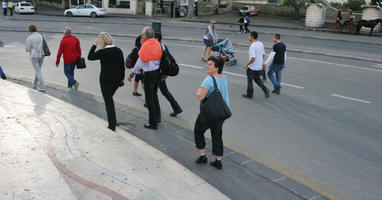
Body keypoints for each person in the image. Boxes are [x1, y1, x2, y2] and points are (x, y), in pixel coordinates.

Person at [194, 56, 229, 170]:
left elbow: (201, 96)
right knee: (217, 134)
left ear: (217, 68)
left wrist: (198, 91)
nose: (207, 66)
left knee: (198, 130)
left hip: (210, 113)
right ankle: (218, 161)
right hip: (222, 111)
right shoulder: (224, 78)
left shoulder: (208, 79)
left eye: (210, 64)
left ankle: (203, 156)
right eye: (207, 63)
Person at [88, 32, 125, 131]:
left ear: (101, 42)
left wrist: (94, 45)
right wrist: (121, 79)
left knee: (108, 101)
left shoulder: (102, 52)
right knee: (109, 99)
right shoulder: (118, 50)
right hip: (116, 80)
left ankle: (112, 125)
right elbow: (122, 67)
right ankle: (113, 121)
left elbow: (90, 57)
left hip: (105, 81)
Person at [128, 27, 162, 130]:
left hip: (149, 74)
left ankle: (152, 123)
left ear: (145, 35)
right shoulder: (156, 43)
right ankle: (157, 117)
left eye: (142, 34)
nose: (141, 35)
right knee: (154, 95)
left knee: (149, 99)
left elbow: (139, 63)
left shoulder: (146, 45)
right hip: (157, 73)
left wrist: (133, 73)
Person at [154, 32, 183, 117]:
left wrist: (163, 74)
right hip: (163, 72)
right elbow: (167, 61)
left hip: (160, 72)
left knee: (161, 91)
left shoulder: (157, 47)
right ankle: (176, 108)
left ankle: (176, 108)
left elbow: (162, 62)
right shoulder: (164, 46)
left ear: (156, 39)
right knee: (159, 90)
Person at [242, 31, 270, 99]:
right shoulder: (260, 43)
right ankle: (265, 90)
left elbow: (253, 58)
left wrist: (247, 65)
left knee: (250, 81)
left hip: (252, 67)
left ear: (252, 37)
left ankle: (249, 94)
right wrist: (261, 62)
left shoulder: (253, 46)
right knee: (257, 80)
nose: (249, 37)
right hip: (258, 67)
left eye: (249, 36)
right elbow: (263, 54)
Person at [25, 24, 45, 92]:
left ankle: (42, 87)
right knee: (38, 70)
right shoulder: (40, 36)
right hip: (41, 55)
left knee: (38, 71)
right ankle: (35, 84)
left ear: (30, 30)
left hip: (34, 56)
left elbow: (27, 49)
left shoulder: (30, 38)